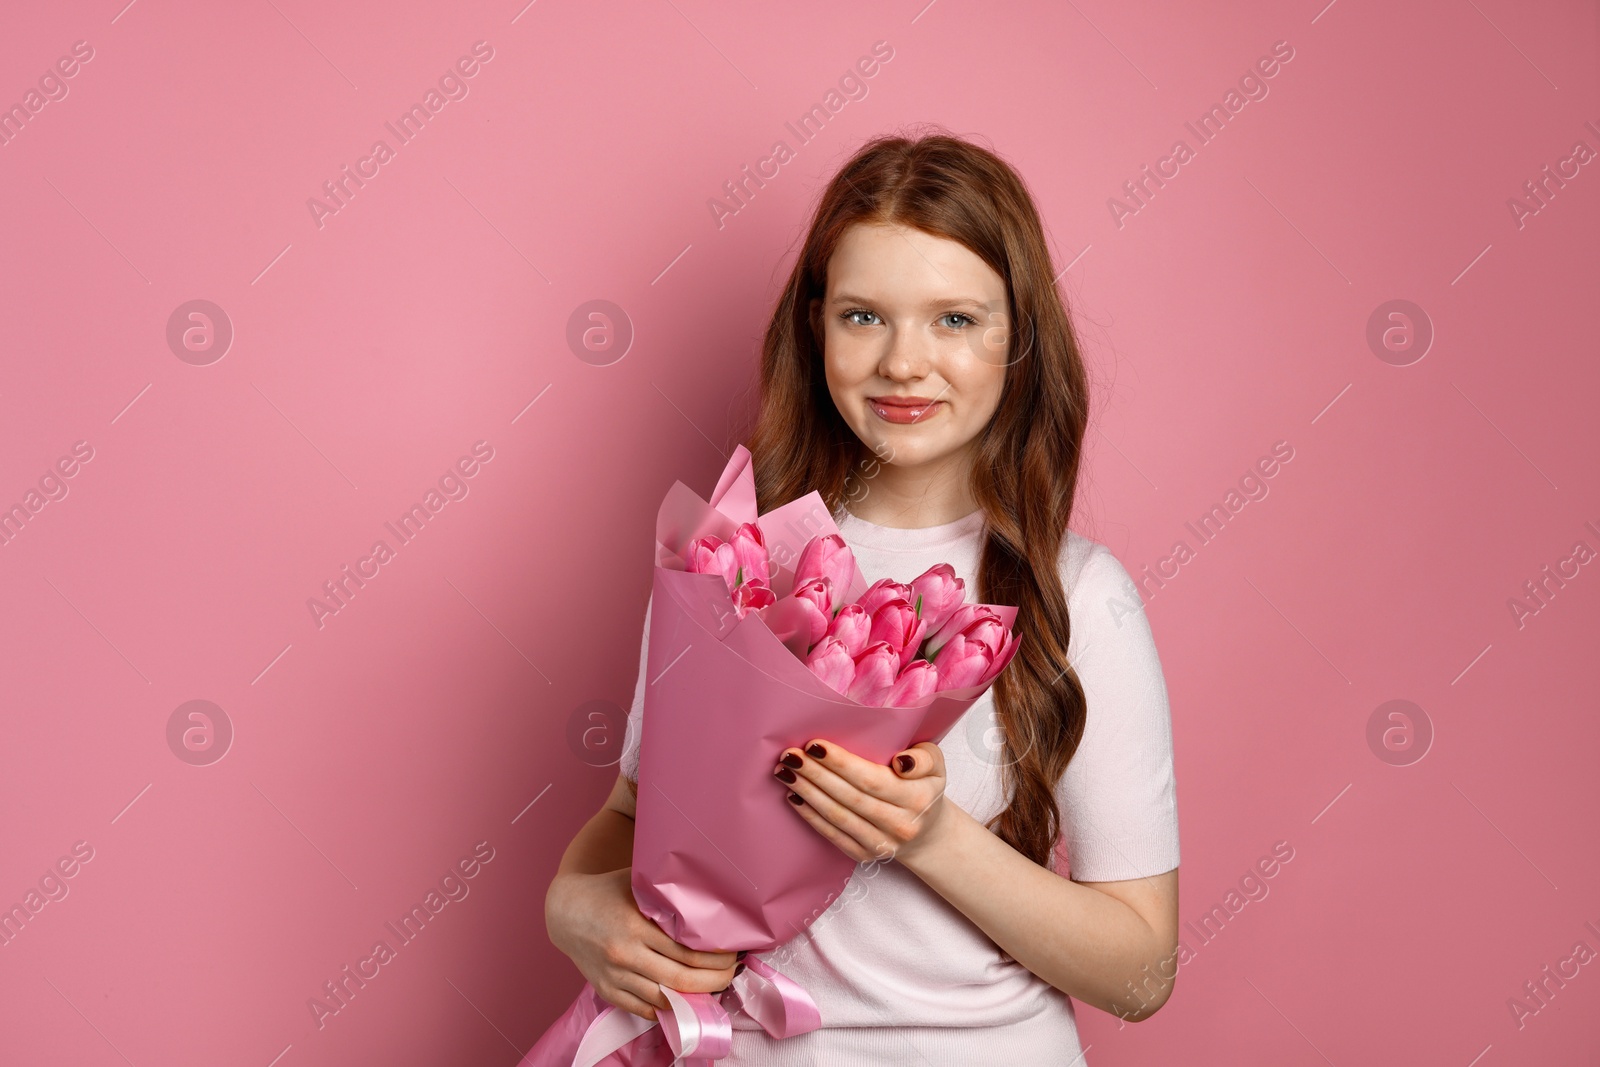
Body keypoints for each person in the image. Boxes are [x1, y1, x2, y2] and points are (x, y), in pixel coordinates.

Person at [544, 128, 1181, 1064]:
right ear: (815, 326)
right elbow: (629, 817)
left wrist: (930, 841)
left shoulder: (1081, 595)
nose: (904, 363)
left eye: (955, 320)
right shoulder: (733, 562)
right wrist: (572, 903)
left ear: (1019, 339)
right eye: (863, 316)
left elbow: (1142, 974)